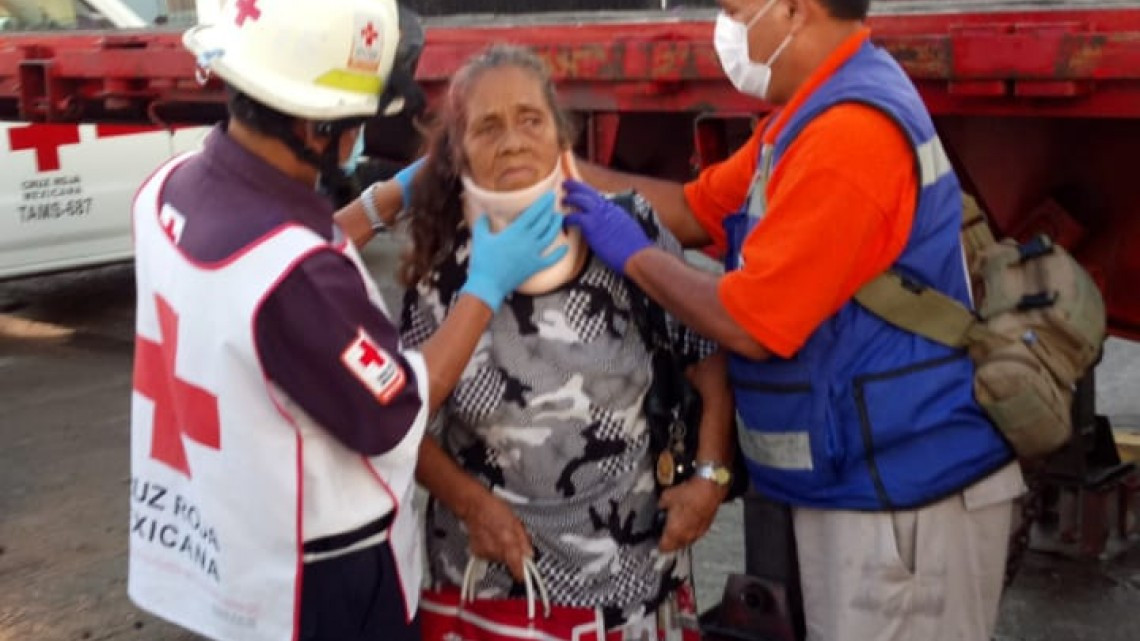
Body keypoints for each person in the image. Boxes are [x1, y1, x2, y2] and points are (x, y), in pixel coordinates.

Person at [563, 1, 1026, 640]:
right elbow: (697, 211)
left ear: (792, 10)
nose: (724, 30)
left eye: (733, 9)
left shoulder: (849, 132)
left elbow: (751, 323)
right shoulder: (809, 114)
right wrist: (558, 174)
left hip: (905, 498)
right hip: (867, 484)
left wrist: (633, 252)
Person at [127, 2, 568, 641]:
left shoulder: (168, 189)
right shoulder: (295, 277)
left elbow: (266, 265)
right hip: (317, 585)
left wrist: (385, 201)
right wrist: (486, 283)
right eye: (356, 118)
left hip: (221, 545)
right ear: (313, 128)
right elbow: (397, 408)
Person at [343, 44, 735, 639]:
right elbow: (402, 420)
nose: (513, 142)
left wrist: (710, 475)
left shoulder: (625, 229)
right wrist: (472, 505)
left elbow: (704, 355)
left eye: (531, 119)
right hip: (497, 582)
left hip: (637, 576)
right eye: (487, 127)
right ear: (459, 156)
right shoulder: (442, 271)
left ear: (561, 136)